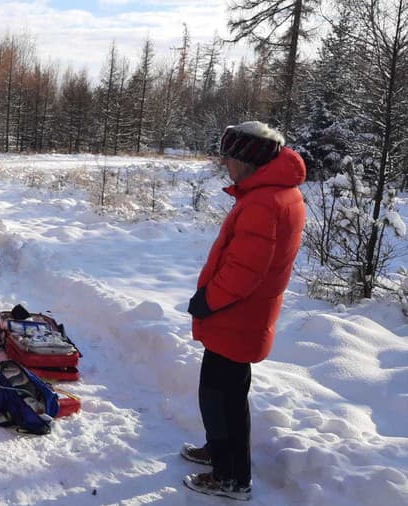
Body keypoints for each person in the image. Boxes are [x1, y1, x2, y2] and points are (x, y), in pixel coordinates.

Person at [181, 121, 306, 501]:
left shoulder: (265, 202)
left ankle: (233, 478)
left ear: (248, 161)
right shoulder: (273, 194)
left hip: (236, 315)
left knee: (225, 399)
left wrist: (207, 300)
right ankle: (218, 453)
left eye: (231, 156)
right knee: (219, 393)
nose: (226, 163)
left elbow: (244, 272)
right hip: (240, 317)